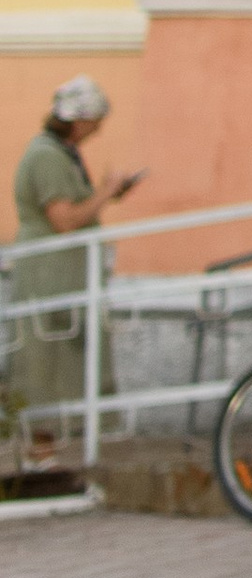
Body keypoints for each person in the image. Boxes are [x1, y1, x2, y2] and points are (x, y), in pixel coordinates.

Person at [8, 78, 138, 421]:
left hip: (65, 279)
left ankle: (65, 443)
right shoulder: (47, 157)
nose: (97, 131)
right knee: (42, 368)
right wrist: (106, 192)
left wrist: (107, 193)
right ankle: (42, 449)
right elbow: (63, 219)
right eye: (95, 123)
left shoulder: (59, 153)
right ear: (79, 120)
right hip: (49, 279)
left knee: (69, 364)